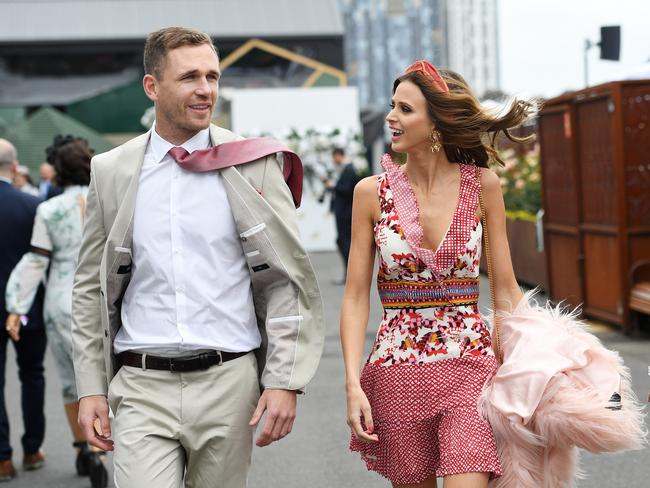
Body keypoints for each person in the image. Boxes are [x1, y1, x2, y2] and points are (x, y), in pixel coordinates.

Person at [71, 27, 323, 488]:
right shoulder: (111, 170)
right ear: (153, 86)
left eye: (212, 76)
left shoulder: (254, 163)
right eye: (189, 77)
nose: (205, 89)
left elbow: (287, 279)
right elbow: (90, 286)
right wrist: (90, 387)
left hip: (229, 384)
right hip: (142, 382)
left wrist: (285, 379)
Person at [340, 61, 534, 488]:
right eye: (393, 106)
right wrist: (352, 384)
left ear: (437, 122)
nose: (391, 116)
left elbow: (504, 287)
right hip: (396, 374)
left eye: (405, 109)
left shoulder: (483, 185)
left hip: (471, 369)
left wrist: (533, 363)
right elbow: (355, 296)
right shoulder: (370, 193)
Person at [5, 136, 108, 487]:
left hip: (63, 300)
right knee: (113, 372)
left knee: (71, 381)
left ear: (57, 173)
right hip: (108, 295)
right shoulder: (108, 200)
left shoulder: (48, 210)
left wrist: (16, 306)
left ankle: (88, 447)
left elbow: (36, 260)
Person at [0, 139, 47, 481]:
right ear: (15, 167)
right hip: (29, 306)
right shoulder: (34, 205)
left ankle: (2, 457)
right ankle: (32, 448)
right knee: (32, 375)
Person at [327, 148, 360, 284]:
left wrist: (333, 186)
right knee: (342, 242)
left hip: (345, 214)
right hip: (344, 213)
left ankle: (350, 275)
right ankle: (349, 275)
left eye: (334, 156)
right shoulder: (347, 170)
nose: (333, 160)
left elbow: (347, 189)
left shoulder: (349, 170)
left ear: (339, 155)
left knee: (344, 242)